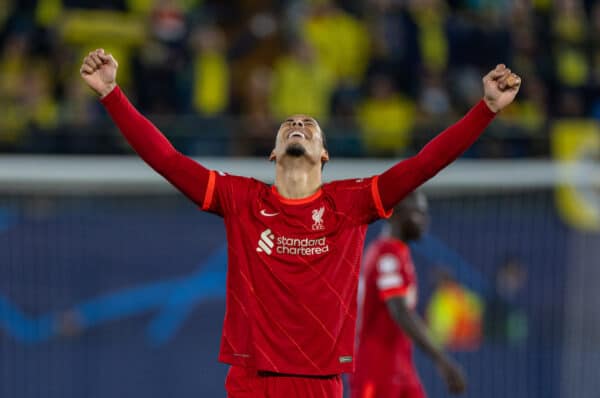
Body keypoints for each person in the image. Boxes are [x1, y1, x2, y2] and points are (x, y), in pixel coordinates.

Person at [79, 48, 521, 397]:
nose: (298, 125)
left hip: (319, 382)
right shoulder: (241, 199)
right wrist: (112, 94)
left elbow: (425, 164)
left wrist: (485, 108)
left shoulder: (351, 202)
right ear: (272, 153)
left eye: (309, 125)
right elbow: (167, 159)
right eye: (289, 123)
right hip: (252, 379)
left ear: (324, 154)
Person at [352, 191, 466, 398]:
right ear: (394, 214)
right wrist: (442, 359)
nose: (425, 220)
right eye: (417, 213)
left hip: (401, 366)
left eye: (425, 214)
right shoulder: (386, 254)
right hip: (377, 368)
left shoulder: (399, 252)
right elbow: (400, 311)